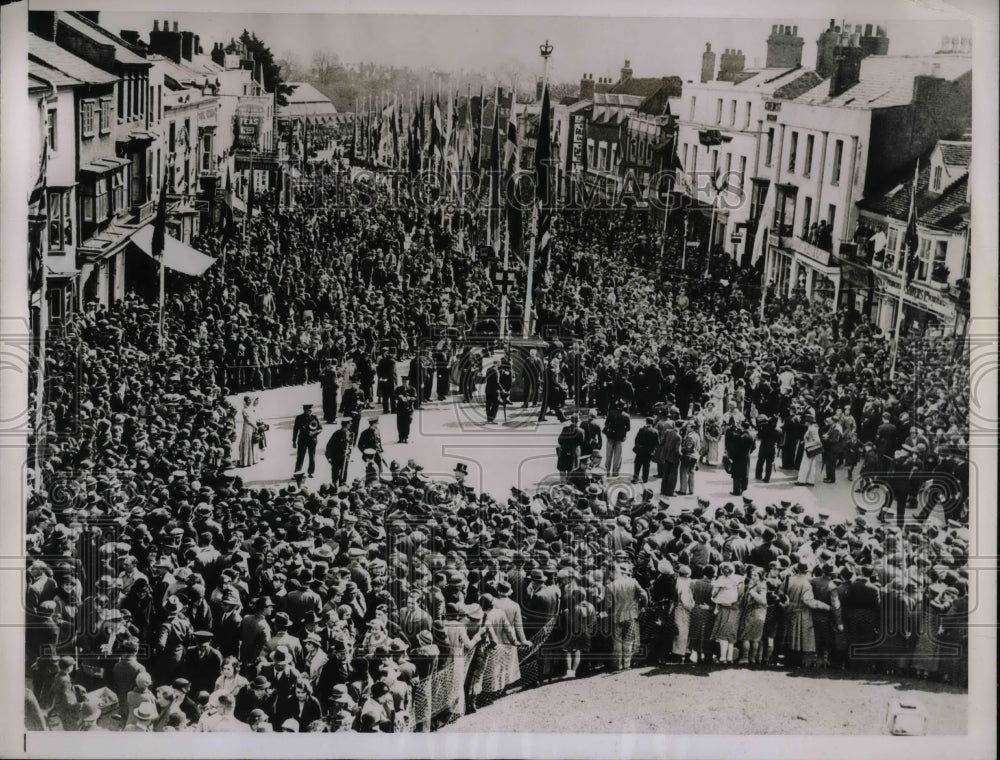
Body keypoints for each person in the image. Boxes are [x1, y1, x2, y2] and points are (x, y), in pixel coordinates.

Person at [604, 563, 648, 672]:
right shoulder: (633, 582)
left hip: (616, 616)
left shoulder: (610, 586)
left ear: (612, 572)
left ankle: (617, 666)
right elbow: (644, 594)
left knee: (617, 641)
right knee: (629, 639)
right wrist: (643, 606)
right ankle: (627, 664)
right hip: (632, 614)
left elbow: (608, 605)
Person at [292, 403, 322, 479]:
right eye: (308, 410)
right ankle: (297, 473)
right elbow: (295, 430)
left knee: (312, 457)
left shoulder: (314, 417)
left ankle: (311, 472)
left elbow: (320, 428)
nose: (310, 412)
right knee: (300, 457)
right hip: (302, 440)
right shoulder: (299, 418)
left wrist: (314, 433)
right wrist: (294, 441)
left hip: (312, 440)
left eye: (311, 410)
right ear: (305, 410)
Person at [603, 402, 631, 478]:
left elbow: (606, 424)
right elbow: (628, 428)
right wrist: (621, 430)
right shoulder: (626, 416)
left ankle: (607, 471)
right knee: (618, 456)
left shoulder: (611, 413)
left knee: (608, 455)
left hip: (610, 436)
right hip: (620, 438)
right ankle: (615, 472)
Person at [728, 420, 756, 496]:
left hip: (738, 457)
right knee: (745, 474)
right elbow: (754, 447)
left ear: (742, 427)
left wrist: (732, 456)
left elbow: (735, 448)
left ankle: (736, 491)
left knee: (737, 474)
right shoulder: (752, 436)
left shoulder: (739, 436)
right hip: (746, 457)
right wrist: (748, 452)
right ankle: (744, 490)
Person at [657, 419, 682, 497]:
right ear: (681, 427)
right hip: (674, 458)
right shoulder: (678, 436)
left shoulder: (667, 432)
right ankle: (670, 492)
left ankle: (663, 490)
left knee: (665, 474)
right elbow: (677, 450)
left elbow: (661, 443)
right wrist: (681, 455)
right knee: (673, 475)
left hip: (666, 456)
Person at [795, 413, 822, 486]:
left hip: (809, 449)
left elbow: (817, 441)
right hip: (813, 449)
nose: (805, 422)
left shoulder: (811, 429)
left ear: (808, 422)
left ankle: (802, 481)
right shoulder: (812, 428)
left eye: (806, 421)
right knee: (811, 465)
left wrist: (807, 444)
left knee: (805, 464)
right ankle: (810, 481)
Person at [325, 419, 353, 486]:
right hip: (336, 457)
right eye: (349, 424)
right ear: (346, 425)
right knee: (335, 472)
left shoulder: (349, 433)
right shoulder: (337, 434)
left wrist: (349, 450)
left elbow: (350, 445)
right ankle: (334, 486)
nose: (350, 425)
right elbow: (329, 445)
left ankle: (342, 486)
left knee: (344, 472)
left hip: (345, 457)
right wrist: (329, 457)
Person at [631, 417, 658, 484]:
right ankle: (645, 479)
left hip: (640, 451)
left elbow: (636, 440)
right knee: (646, 465)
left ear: (646, 422)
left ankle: (635, 478)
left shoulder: (641, 430)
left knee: (637, 465)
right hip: (649, 451)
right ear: (652, 423)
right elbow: (657, 443)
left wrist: (639, 447)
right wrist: (653, 449)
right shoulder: (655, 431)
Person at [754, 415, 779, 483]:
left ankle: (758, 475)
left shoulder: (764, 428)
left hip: (763, 447)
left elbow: (759, 436)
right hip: (772, 448)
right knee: (769, 464)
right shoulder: (777, 431)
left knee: (760, 461)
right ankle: (767, 478)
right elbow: (778, 440)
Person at [678, 421, 700, 495]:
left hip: (688, 456)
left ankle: (683, 490)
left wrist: (681, 449)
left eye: (688, 427)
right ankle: (691, 490)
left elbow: (688, 447)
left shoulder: (690, 436)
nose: (686, 428)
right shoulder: (697, 435)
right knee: (691, 473)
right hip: (694, 456)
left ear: (692, 428)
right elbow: (698, 447)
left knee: (683, 473)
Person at [238, 397, 258, 468]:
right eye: (248, 400)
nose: (249, 401)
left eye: (250, 400)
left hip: (253, 426)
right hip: (247, 427)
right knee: (247, 441)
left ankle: (253, 459)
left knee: (253, 441)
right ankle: (246, 461)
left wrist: (255, 426)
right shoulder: (244, 410)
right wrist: (254, 426)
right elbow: (247, 420)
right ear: (245, 401)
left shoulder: (251, 408)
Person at [376, 347, 397, 414]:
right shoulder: (392, 361)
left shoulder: (382, 360)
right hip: (391, 382)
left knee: (385, 396)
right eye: (395, 354)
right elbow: (392, 373)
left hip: (383, 381)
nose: (395, 355)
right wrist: (395, 383)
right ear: (392, 354)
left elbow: (378, 371)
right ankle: (393, 409)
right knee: (392, 396)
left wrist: (382, 378)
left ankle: (385, 410)